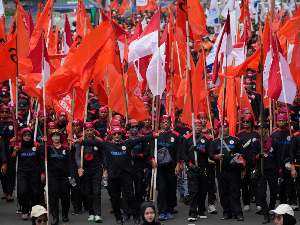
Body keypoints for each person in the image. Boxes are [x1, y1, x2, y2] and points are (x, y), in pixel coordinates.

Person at [73, 126, 161, 225]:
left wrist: (153, 135)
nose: (117, 135)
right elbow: (94, 142)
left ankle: (136, 217)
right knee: (115, 199)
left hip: (126, 176)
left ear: (121, 134)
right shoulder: (107, 144)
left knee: (131, 197)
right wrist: (80, 141)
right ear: (111, 135)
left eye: (119, 133)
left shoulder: (127, 143)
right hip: (113, 177)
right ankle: (118, 218)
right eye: (114, 134)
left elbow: (141, 139)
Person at [209, 120, 246, 221]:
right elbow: (210, 155)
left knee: (235, 193)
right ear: (218, 129)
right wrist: (216, 157)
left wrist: (243, 169)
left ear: (228, 128)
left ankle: (238, 213)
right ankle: (227, 212)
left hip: (234, 171)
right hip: (221, 171)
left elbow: (242, 155)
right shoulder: (214, 142)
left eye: (225, 127)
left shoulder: (236, 140)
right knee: (223, 193)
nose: (223, 129)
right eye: (221, 127)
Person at [41, 129, 75, 225]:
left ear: (60, 137)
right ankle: (55, 217)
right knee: (53, 197)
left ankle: (65, 215)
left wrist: (72, 175)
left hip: (64, 176)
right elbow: (41, 155)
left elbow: (69, 163)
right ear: (51, 138)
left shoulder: (66, 148)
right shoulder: (48, 148)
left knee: (65, 196)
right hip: (52, 176)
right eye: (53, 136)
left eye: (57, 135)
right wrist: (43, 143)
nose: (56, 137)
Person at [151, 115, 181, 221]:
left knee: (171, 189)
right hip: (160, 168)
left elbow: (178, 151)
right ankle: (162, 211)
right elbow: (152, 149)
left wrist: (178, 164)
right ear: (160, 124)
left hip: (171, 167)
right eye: (163, 122)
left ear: (170, 123)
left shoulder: (175, 135)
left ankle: (169, 210)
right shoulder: (157, 135)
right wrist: (153, 160)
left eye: (167, 122)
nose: (165, 124)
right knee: (161, 189)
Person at [75, 122, 107, 223]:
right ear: (84, 131)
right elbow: (78, 156)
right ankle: (91, 213)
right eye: (87, 130)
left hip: (97, 169)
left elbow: (103, 156)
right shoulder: (81, 141)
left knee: (96, 191)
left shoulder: (98, 141)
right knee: (88, 193)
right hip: (85, 170)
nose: (89, 132)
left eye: (91, 130)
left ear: (94, 130)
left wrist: (105, 169)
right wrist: (79, 167)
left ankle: (97, 214)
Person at [182, 119, 211, 221]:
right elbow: (184, 153)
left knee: (203, 191)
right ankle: (193, 212)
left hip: (204, 167)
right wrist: (190, 165)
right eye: (196, 126)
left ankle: (201, 210)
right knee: (193, 190)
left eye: (199, 125)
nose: (198, 127)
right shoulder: (187, 138)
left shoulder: (207, 138)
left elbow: (210, 152)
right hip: (192, 168)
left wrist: (201, 149)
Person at [9, 128, 41, 221]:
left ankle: (33, 210)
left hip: (34, 172)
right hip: (22, 173)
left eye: (29, 135)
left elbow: (41, 158)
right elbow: (12, 161)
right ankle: (25, 210)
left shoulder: (36, 145)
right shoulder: (18, 145)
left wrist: (42, 173)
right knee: (22, 192)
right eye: (25, 135)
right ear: (22, 136)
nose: (27, 137)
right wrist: (14, 152)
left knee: (35, 193)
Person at [123, 119, 150, 222]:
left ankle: (137, 212)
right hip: (127, 169)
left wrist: (138, 156)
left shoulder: (142, 138)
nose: (134, 129)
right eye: (132, 127)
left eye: (135, 127)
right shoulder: (125, 139)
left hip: (138, 168)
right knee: (127, 191)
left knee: (138, 191)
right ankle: (126, 212)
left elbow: (147, 152)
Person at [253, 122, 280, 224]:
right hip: (261, 172)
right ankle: (266, 214)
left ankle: (271, 210)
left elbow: (278, 158)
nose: (259, 131)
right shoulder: (256, 143)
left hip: (272, 171)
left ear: (266, 130)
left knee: (273, 193)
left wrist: (280, 171)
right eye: (258, 129)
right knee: (261, 194)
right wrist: (259, 156)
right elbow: (253, 158)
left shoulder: (274, 142)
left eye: (261, 129)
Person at [270, 114, 297, 208]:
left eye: (283, 120)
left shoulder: (292, 132)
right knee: (281, 184)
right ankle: (283, 203)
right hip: (278, 162)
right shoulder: (273, 134)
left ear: (287, 121)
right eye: (280, 120)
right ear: (277, 122)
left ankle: (293, 202)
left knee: (291, 182)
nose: (281, 122)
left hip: (289, 161)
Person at [236, 115, 261, 213]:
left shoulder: (257, 134)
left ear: (251, 122)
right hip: (244, 164)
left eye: (247, 121)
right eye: (243, 121)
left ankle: (258, 204)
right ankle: (246, 204)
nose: (245, 123)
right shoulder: (239, 135)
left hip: (255, 163)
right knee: (244, 185)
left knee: (256, 184)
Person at [174, 109, 192, 205]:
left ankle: (186, 194)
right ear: (178, 117)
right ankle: (181, 192)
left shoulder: (189, 129)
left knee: (185, 176)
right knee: (178, 177)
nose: (182, 117)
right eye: (181, 115)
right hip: (177, 155)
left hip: (186, 155)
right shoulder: (175, 129)